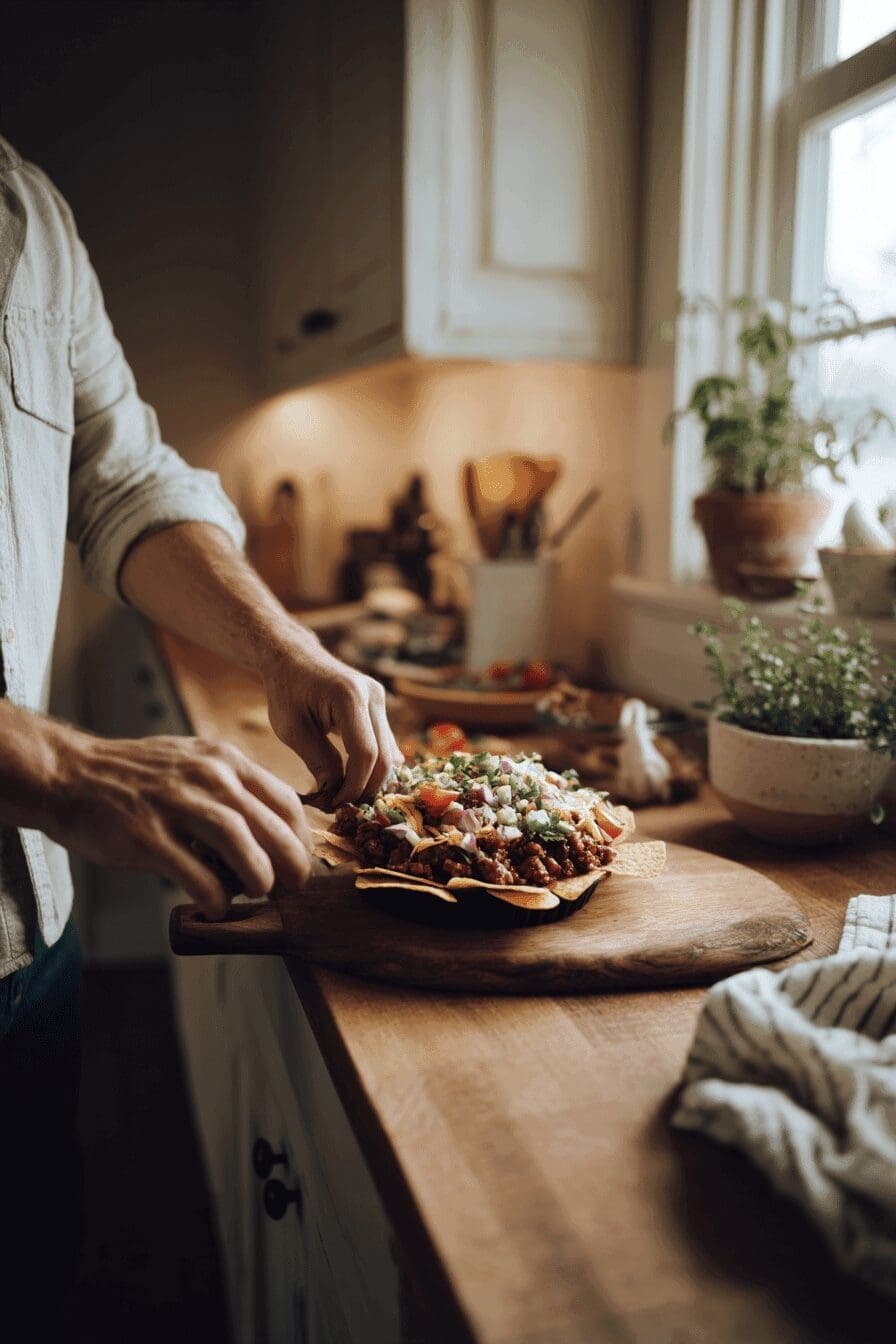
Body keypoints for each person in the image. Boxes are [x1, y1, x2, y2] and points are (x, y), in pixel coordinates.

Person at [0, 136, 402, 1328]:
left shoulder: (28, 212)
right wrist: (55, 762)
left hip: (33, 941)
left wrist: (286, 651)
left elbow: (121, 480)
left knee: (32, 1275)